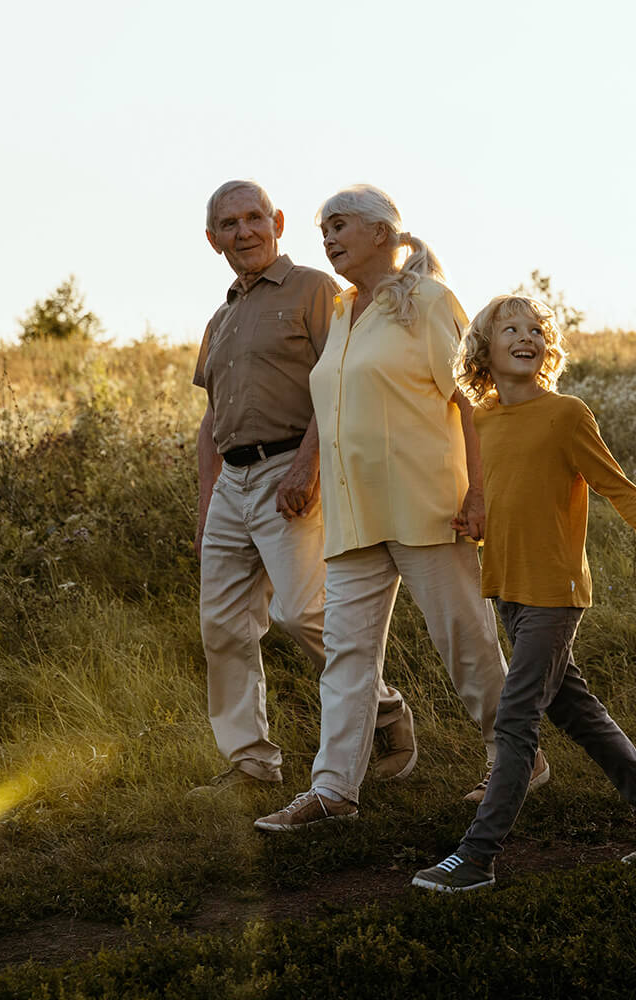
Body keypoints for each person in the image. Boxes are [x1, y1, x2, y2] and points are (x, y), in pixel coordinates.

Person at [252, 185, 515, 832]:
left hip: (429, 506)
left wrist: (480, 495)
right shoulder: (343, 309)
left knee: (467, 645)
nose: (328, 239)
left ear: (380, 232)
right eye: (323, 231)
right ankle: (334, 790)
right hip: (353, 514)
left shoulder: (426, 301)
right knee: (346, 655)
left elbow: (473, 402)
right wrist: (309, 469)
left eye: (339, 226)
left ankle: (516, 761)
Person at [411, 295, 636, 892]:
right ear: (484, 348)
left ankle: (478, 855)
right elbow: (493, 489)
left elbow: (613, 485)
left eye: (536, 329)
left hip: (555, 592)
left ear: (547, 346)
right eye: (510, 328)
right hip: (506, 588)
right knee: (574, 710)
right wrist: (475, 515)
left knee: (515, 719)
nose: (526, 336)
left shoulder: (566, 413)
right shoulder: (481, 421)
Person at [190, 180, 338, 795]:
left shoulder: (316, 290)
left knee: (303, 612)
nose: (244, 231)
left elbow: (339, 387)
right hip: (233, 480)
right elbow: (209, 421)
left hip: (291, 466)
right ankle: (250, 763)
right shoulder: (220, 317)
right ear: (212, 239)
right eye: (230, 223)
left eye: (254, 217)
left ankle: (380, 709)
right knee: (223, 627)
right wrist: (206, 509)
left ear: (278, 221)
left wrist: (308, 466)